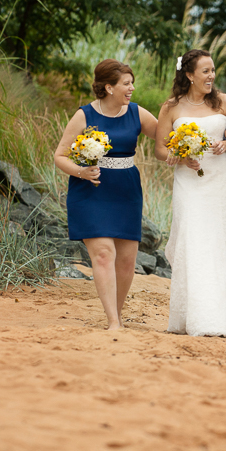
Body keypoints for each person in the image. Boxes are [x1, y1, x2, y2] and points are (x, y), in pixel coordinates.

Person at [155, 49, 226, 340]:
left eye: (213, 70)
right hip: (188, 184)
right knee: (194, 242)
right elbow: (160, 149)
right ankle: (196, 314)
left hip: (219, 181)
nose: (212, 76)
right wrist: (180, 157)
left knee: (223, 240)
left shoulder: (225, 102)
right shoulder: (171, 107)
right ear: (189, 75)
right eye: (205, 71)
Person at [54, 59, 158, 331]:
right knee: (103, 253)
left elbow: (166, 136)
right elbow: (60, 156)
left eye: (131, 82)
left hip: (126, 191)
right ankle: (113, 321)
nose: (132, 88)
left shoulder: (137, 113)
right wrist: (81, 172)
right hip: (91, 189)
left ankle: (117, 314)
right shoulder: (84, 115)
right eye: (126, 83)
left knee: (126, 261)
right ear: (109, 87)